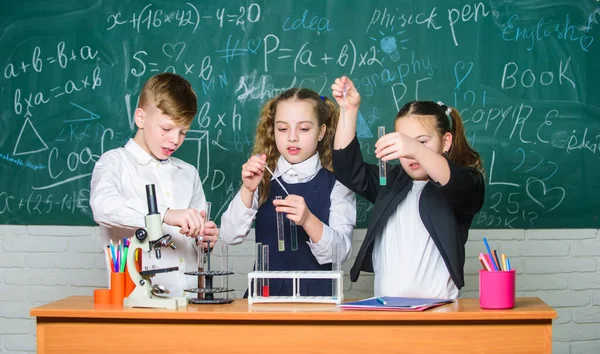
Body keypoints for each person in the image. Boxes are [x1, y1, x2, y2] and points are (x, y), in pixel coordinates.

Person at [330, 76, 485, 299]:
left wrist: (416, 149)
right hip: (388, 313)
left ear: (446, 142)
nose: (411, 152)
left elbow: (458, 185)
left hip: (440, 313)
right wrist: (348, 110)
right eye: (405, 142)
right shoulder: (390, 182)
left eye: (422, 142)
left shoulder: (466, 181)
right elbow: (347, 170)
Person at [90, 73, 218, 298]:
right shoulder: (114, 163)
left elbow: (196, 248)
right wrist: (165, 215)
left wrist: (203, 242)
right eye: (167, 129)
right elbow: (103, 206)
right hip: (137, 305)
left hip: (189, 301)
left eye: (183, 132)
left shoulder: (188, 174)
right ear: (140, 118)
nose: (175, 140)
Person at [220, 88, 356, 297]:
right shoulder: (261, 177)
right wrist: (248, 190)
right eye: (282, 129)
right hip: (264, 297)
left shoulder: (337, 182)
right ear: (272, 131)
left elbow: (341, 252)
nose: (292, 138)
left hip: (318, 299)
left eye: (303, 129)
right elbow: (229, 236)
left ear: (321, 132)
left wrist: (309, 220)